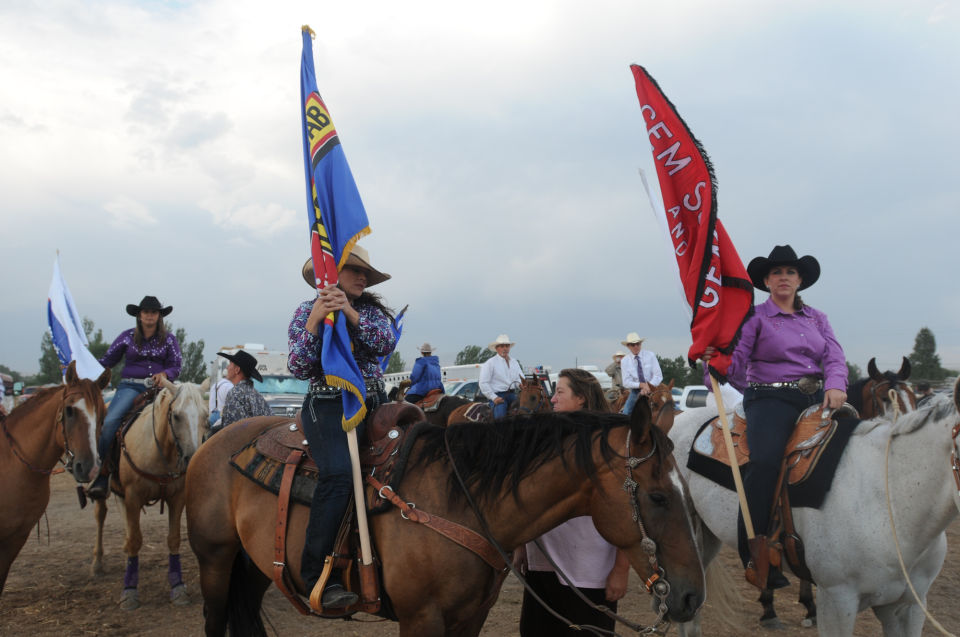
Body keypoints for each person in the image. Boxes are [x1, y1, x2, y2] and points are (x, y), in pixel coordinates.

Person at [701, 244, 847, 589]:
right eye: (777, 273)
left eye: (790, 272)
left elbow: (835, 357)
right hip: (769, 398)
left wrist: (837, 384)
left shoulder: (818, 318)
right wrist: (716, 362)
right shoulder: (753, 318)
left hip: (816, 397)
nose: (784, 277)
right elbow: (736, 364)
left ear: (800, 281)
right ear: (766, 281)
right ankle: (755, 551)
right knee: (765, 462)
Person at [287, 244, 395, 609]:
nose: (364, 277)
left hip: (376, 402)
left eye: (366, 272)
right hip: (328, 403)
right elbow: (299, 367)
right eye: (355, 270)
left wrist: (347, 311)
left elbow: (386, 342)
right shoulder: (305, 310)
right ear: (331, 275)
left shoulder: (373, 313)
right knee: (337, 473)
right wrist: (316, 321)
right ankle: (317, 574)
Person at [515, 368, 630, 636]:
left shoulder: (609, 445)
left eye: (559, 392)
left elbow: (627, 510)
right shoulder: (545, 439)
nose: (552, 399)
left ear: (581, 398)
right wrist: (520, 543)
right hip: (543, 566)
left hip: (591, 572)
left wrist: (621, 569)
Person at [87, 296, 182, 499]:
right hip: (130, 387)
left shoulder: (169, 339)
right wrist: (84, 366)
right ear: (139, 315)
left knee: (183, 418)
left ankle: (185, 469)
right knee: (111, 421)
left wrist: (165, 374)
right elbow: (107, 360)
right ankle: (103, 473)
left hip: (160, 388)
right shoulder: (126, 337)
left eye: (153, 312)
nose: (149, 315)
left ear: (159, 316)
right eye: (146, 312)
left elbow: (176, 364)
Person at [214, 349, 271, 432]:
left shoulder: (235, 394)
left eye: (230, 364)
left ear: (237, 370)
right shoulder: (257, 395)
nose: (227, 367)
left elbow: (233, 432)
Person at [479, 334, 524, 419]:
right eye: (502, 346)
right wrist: (494, 398)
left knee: (525, 412)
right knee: (500, 417)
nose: (505, 348)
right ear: (496, 348)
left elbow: (519, 378)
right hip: (498, 396)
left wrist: (521, 385)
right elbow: (483, 383)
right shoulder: (490, 363)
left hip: (512, 395)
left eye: (507, 346)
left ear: (509, 347)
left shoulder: (514, 362)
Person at [619, 333, 662, 415]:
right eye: (632, 344)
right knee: (626, 413)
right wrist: (641, 385)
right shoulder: (625, 361)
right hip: (636, 391)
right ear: (628, 346)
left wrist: (648, 386)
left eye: (637, 344)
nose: (636, 346)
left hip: (654, 388)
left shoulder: (650, 355)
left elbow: (658, 375)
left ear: (640, 344)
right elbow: (626, 382)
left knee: (671, 408)